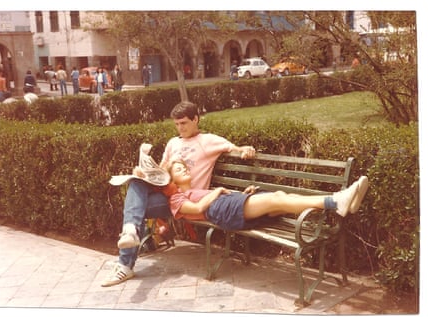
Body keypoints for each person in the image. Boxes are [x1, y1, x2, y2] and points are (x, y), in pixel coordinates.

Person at [101, 101, 257, 287]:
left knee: (135, 208)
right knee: (135, 183)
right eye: (176, 124)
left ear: (195, 119)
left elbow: (234, 148)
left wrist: (245, 150)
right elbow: (161, 170)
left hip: (187, 199)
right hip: (167, 195)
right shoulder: (173, 142)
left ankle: (125, 263)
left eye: (183, 123)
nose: (180, 128)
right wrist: (144, 172)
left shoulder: (207, 140)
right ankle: (130, 235)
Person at [167, 160, 369, 231]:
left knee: (280, 198)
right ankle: (335, 200)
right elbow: (197, 209)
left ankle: (339, 203)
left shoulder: (197, 189)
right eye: (178, 169)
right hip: (219, 210)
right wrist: (218, 191)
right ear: (171, 179)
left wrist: (241, 194)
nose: (184, 169)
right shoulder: (175, 198)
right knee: (276, 199)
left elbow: (220, 199)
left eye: (184, 167)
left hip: (227, 205)